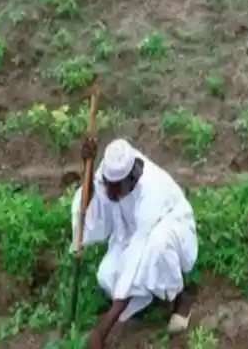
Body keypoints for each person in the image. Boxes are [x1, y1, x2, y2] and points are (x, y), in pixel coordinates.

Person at [72, 137, 198, 348]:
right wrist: (88, 170)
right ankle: (148, 294)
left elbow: (138, 255)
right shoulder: (110, 173)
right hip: (131, 234)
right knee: (107, 274)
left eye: (115, 189)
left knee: (157, 248)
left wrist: (101, 330)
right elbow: (94, 205)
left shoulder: (152, 190)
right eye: (108, 186)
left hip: (171, 229)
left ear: (131, 178)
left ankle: (180, 299)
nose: (110, 193)